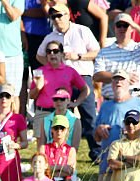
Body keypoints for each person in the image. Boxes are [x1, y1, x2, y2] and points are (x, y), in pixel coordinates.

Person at [37, 3, 99, 138]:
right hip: (63, 79)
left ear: (68, 15)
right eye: (53, 17)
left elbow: (97, 52)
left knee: (89, 116)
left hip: (82, 76)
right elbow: (39, 55)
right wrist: (54, 66)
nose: (56, 20)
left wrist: (79, 56)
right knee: (62, 118)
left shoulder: (82, 30)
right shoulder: (50, 37)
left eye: (59, 15)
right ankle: (62, 151)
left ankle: (96, 153)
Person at [93, 11, 140, 101]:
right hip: (110, 100)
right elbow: (97, 76)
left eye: (125, 25)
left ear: (131, 28)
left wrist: (134, 25)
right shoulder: (104, 51)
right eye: (119, 25)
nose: (122, 28)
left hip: (133, 100)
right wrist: (123, 76)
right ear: (114, 28)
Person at [30, 42, 90, 141]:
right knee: (42, 148)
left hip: (62, 113)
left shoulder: (70, 71)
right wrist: (37, 88)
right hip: (43, 113)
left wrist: (76, 103)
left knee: (62, 147)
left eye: (56, 51)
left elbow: (85, 89)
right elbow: (31, 96)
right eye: (49, 52)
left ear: (62, 54)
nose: (52, 54)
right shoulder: (40, 71)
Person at [43, 115, 77, 181]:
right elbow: (42, 169)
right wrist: (62, 168)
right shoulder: (44, 148)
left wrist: (52, 168)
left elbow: (70, 171)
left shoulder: (71, 150)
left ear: (66, 130)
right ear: (52, 130)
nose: (59, 131)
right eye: (56, 128)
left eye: (62, 128)